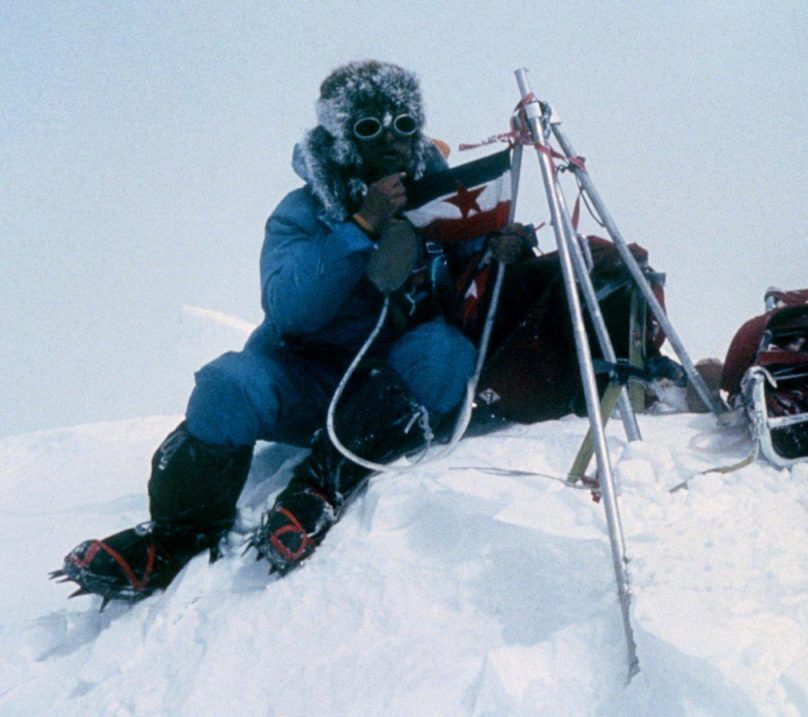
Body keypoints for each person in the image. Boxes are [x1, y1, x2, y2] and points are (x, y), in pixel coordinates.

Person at [54, 60, 536, 603]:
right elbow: (289, 310)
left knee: (444, 354)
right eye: (369, 128)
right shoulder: (302, 212)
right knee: (226, 385)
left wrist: (503, 253)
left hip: (391, 386)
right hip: (308, 379)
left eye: (404, 125)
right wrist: (359, 229)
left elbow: (473, 276)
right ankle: (175, 538)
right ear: (341, 137)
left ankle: (319, 489)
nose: (392, 141)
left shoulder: (442, 202)